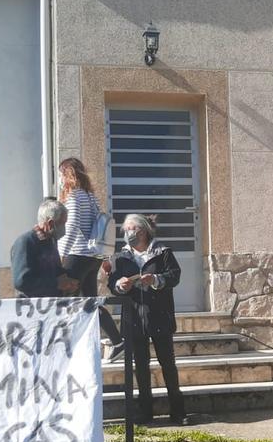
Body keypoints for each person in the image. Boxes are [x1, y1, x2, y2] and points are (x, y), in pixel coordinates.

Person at [108, 214, 189, 426]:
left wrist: (155, 279)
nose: (127, 233)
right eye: (125, 230)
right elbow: (112, 285)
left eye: (131, 229)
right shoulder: (121, 257)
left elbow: (175, 276)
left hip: (159, 316)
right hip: (134, 318)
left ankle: (178, 411)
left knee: (168, 364)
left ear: (142, 231)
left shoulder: (163, 253)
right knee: (141, 366)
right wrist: (120, 286)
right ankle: (145, 412)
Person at [56, 158, 125, 360]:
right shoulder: (90, 196)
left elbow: (71, 226)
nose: (60, 179)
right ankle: (117, 341)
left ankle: (65, 346)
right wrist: (105, 256)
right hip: (92, 257)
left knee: (62, 300)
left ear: (68, 174)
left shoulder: (74, 195)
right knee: (90, 302)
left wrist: (62, 255)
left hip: (76, 255)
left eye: (61, 174)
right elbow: (102, 226)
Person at [11, 199, 79, 299]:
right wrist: (56, 283)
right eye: (62, 223)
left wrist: (69, 279)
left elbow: (55, 271)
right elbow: (21, 282)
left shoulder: (51, 241)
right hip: (30, 307)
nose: (64, 228)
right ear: (50, 223)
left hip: (50, 306)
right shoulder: (26, 242)